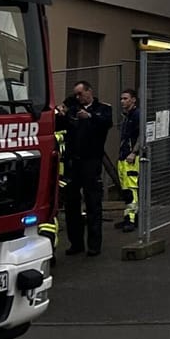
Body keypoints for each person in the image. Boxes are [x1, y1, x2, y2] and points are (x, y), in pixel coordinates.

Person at [57, 81, 113, 257]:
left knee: (93, 203)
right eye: (76, 94)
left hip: (91, 161)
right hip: (73, 162)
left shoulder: (102, 108)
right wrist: (61, 114)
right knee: (72, 203)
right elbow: (60, 125)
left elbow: (105, 123)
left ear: (89, 92)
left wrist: (89, 117)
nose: (78, 97)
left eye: (80, 93)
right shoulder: (73, 108)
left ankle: (94, 244)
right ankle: (76, 243)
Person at [115, 90, 142, 233]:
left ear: (133, 100)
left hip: (130, 158)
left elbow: (141, 135)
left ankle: (131, 220)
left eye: (125, 98)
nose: (122, 101)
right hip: (123, 157)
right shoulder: (127, 116)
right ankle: (129, 217)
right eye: (121, 98)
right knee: (126, 190)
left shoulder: (136, 115)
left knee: (131, 189)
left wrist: (134, 153)